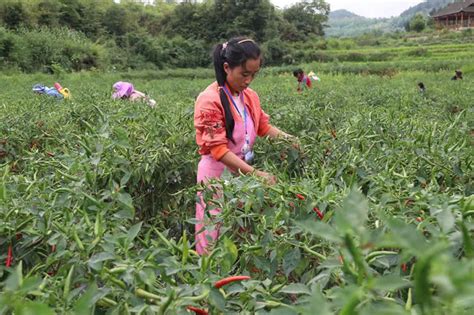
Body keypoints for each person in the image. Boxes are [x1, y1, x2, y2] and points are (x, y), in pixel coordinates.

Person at [194, 37, 296, 255]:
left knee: (242, 230)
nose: (249, 80)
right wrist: (256, 174)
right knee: (214, 232)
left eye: (254, 74)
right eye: (244, 74)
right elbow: (219, 150)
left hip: (242, 175)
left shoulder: (249, 96)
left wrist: (291, 140)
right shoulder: (209, 100)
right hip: (217, 176)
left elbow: (263, 126)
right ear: (226, 67)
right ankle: (206, 280)